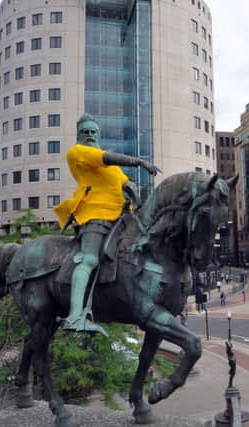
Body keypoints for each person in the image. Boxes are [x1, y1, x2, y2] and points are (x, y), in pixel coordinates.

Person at [53, 114, 160, 333]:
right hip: (96, 213)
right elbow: (108, 158)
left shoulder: (111, 168)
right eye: (86, 132)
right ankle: (74, 317)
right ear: (79, 135)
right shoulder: (79, 153)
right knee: (90, 259)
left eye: (93, 131)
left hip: (123, 217)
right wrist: (139, 162)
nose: (90, 135)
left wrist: (132, 190)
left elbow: (123, 182)